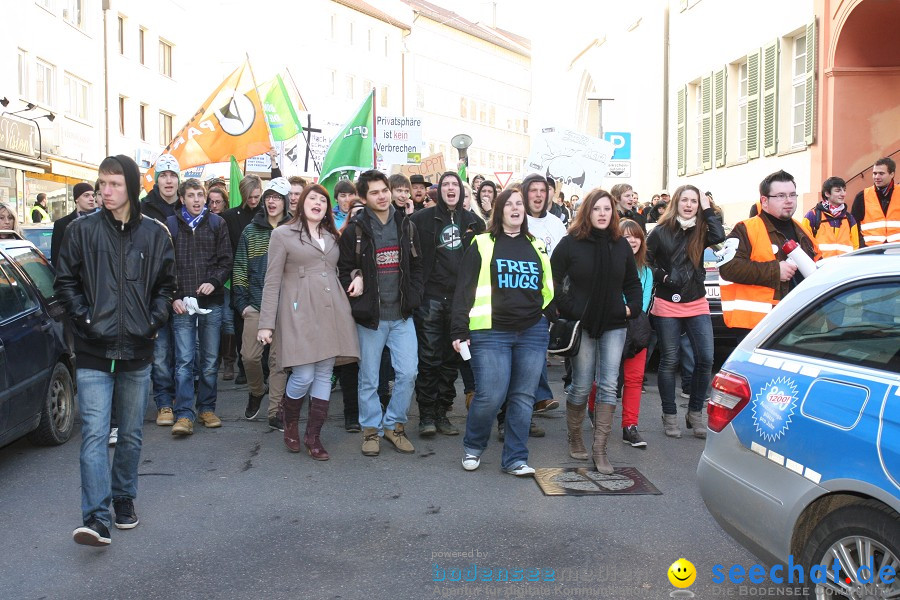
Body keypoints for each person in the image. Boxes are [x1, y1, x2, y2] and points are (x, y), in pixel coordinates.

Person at [55, 155, 176, 546]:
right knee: (93, 433)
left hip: (138, 350)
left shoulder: (155, 234)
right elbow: (65, 282)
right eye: (101, 183)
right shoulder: (81, 230)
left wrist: (151, 321)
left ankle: (124, 499)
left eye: (113, 184)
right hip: (93, 348)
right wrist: (86, 319)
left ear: (131, 187)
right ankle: (96, 518)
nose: (104, 191)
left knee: (131, 434)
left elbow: (166, 286)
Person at [452, 188, 554, 476]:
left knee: (523, 397)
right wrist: (459, 330)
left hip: (532, 332)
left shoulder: (536, 245)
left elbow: (548, 287)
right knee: (490, 395)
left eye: (519, 204)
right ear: (499, 211)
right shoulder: (481, 243)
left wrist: (546, 315)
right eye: (508, 204)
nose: (515, 208)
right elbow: (464, 289)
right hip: (490, 333)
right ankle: (473, 446)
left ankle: (515, 459)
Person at [258, 184, 360, 460]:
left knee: (325, 373)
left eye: (322, 201)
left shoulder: (332, 236)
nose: (318, 203)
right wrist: (266, 323)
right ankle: (289, 420)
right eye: (312, 198)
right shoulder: (282, 234)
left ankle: (313, 435)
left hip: (331, 309)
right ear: (301, 203)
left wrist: (357, 275)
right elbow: (272, 280)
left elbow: (346, 266)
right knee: (303, 374)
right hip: (298, 309)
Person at [550, 189, 642, 472]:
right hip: (583, 323)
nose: (603, 213)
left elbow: (632, 283)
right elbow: (551, 280)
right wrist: (571, 309)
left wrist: (632, 308)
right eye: (597, 209)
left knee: (609, 384)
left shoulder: (620, 245)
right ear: (587, 212)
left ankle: (600, 449)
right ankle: (575, 435)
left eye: (607, 209)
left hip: (615, 321)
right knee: (581, 384)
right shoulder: (570, 244)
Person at [338, 170, 423, 457]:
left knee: (408, 372)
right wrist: (356, 274)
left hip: (401, 316)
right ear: (364, 197)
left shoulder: (406, 225)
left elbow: (418, 266)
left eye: (384, 189)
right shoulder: (355, 230)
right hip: (371, 319)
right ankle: (370, 430)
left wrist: (414, 296)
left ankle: (394, 425)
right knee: (369, 379)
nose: (382, 196)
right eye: (374, 192)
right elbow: (343, 268)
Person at [409, 170, 484, 437]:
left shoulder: (474, 223)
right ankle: (426, 415)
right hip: (430, 298)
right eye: (446, 184)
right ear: (439, 190)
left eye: (456, 185)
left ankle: (443, 412)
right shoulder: (420, 219)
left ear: (462, 192)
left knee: (452, 360)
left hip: (460, 301)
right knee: (429, 358)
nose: (451, 188)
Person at [646, 185, 725, 439]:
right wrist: (664, 277)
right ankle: (669, 415)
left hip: (696, 300)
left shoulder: (702, 231)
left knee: (706, 359)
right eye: (685, 200)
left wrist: (707, 208)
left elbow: (719, 235)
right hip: (668, 302)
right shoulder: (660, 232)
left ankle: (695, 414)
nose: (689, 205)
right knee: (669, 361)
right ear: (676, 203)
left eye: (694, 201)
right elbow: (645, 261)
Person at [165, 179, 232, 436]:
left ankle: (206, 407)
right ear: (182, 198)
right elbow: (165, 266)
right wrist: (174, 296)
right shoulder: (171, 226)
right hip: (182, 303)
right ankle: (183, 414)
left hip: (211, 302)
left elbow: (226, 260)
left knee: (210, 360)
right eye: (191, 195)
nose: (196, 200)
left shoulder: (217, 223)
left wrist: (213, 282)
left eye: (200, 195)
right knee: (183, 360)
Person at [719, 170, 820, 333]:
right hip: (758, 327)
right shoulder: (745, 229)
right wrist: (775, 271)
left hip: (801, 322)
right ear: (764, 201)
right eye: (780, 196)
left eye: (792, 195)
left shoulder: (803, 231)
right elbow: (728, 268)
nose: (789, 201)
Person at [232, 178, 292, 429]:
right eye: (269, 196)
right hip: (255, 304)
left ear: (286, 201)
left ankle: (275, 410)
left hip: (285, 307)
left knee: (279, 362)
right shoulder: (251, 231)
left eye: (277, 197)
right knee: (249, 357)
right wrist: (242, 304)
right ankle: (257, 391)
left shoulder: (295, 229)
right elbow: (240, 269)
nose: (271, 201)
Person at [520, 173, 566, 426]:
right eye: (533, 190)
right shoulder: (517, 219)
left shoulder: (556, 225)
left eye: (542, 190)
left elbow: (562, 264)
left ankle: (536, 401)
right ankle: (537, 400)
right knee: (531, 354)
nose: (538, 195)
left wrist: (557, 299)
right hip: (518, 297)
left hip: (545, 298)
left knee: (536, 351)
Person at [140, 154, 181, 427]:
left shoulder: (187, 205)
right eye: (163, 175)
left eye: (172, 175)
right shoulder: (144, 208)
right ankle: (164, 402)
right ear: (157, 180)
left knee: (186, 353)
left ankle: (183, 400)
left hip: (186, 290)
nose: (168, 180)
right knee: (161, 352)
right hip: (155, 292)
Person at [223, 175, 264, 386]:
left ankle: (263, 367)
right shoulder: (230, 216)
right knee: (240, 324)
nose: (253, 200)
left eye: (257, 196)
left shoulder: (267, 213)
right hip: (239, 277)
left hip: (262, 277)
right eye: (249, 196)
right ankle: (243, 368)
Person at [619, 219, 653, 448]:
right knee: (604, 379)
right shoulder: (610, 264)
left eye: (636, 236)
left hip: (636, 329)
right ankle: (592, 410)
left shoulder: (647, 271)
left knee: (634, 379)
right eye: (626, 236)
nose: (632, 240)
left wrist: (628, 308)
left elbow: (643, 299)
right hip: (612, 327)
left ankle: (630, 427)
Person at [206, 186, 238, 381]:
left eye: (218, 202)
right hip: (207, 280)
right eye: (211, 201)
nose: (214, 205)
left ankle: (228, 361)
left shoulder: (229, 221)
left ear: (225, 203)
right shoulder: (202, 221)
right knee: (211, 323)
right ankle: (214, 361)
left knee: (227, 322)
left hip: (226, 279)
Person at [799, 177, 861, 258]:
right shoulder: (812, 216)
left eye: (844, 190)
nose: (843, 194)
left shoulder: (849, 218)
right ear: (827, 193)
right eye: (838, 191)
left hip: (845, 267)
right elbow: (804, 244)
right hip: (822, 267)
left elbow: (855, 246)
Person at [851, 157, 899, 246]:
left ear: (892, 174)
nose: (877, 177)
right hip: (870, 250)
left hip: (896, 250)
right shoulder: (862, 197)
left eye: (881, 173)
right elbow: (853, 226)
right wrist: (862, 246)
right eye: (874, 173)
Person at [50, 182, 96, 264]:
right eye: (86, 195)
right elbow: (56, 257)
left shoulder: (101, 221)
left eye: (93, 195)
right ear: (76, 199)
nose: (92, 199)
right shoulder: (62, 224)